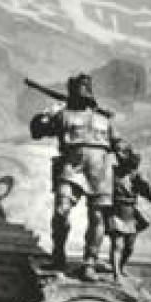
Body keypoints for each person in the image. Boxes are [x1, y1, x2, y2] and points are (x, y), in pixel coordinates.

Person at [29, 73, 121, 277]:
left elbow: (120, 146)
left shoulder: (105, 120)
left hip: (100, 171)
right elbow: (37, 131)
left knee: (97, 217)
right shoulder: (63, 115)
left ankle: (90, 261)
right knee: (61, 211)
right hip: (72, 167)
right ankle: (58, 256)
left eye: (84, 90)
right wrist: (49, 112)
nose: (82, 94)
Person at [106, 145, 151, 280]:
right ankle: (116, 274)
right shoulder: (112, 173)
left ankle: (120, 267)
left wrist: (144, 185)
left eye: (134, 166)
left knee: (129, 247)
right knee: (117, 245)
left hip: (130, 213)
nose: (132, 168)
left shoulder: (135, 176)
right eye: (130, 165)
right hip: (116, 211)